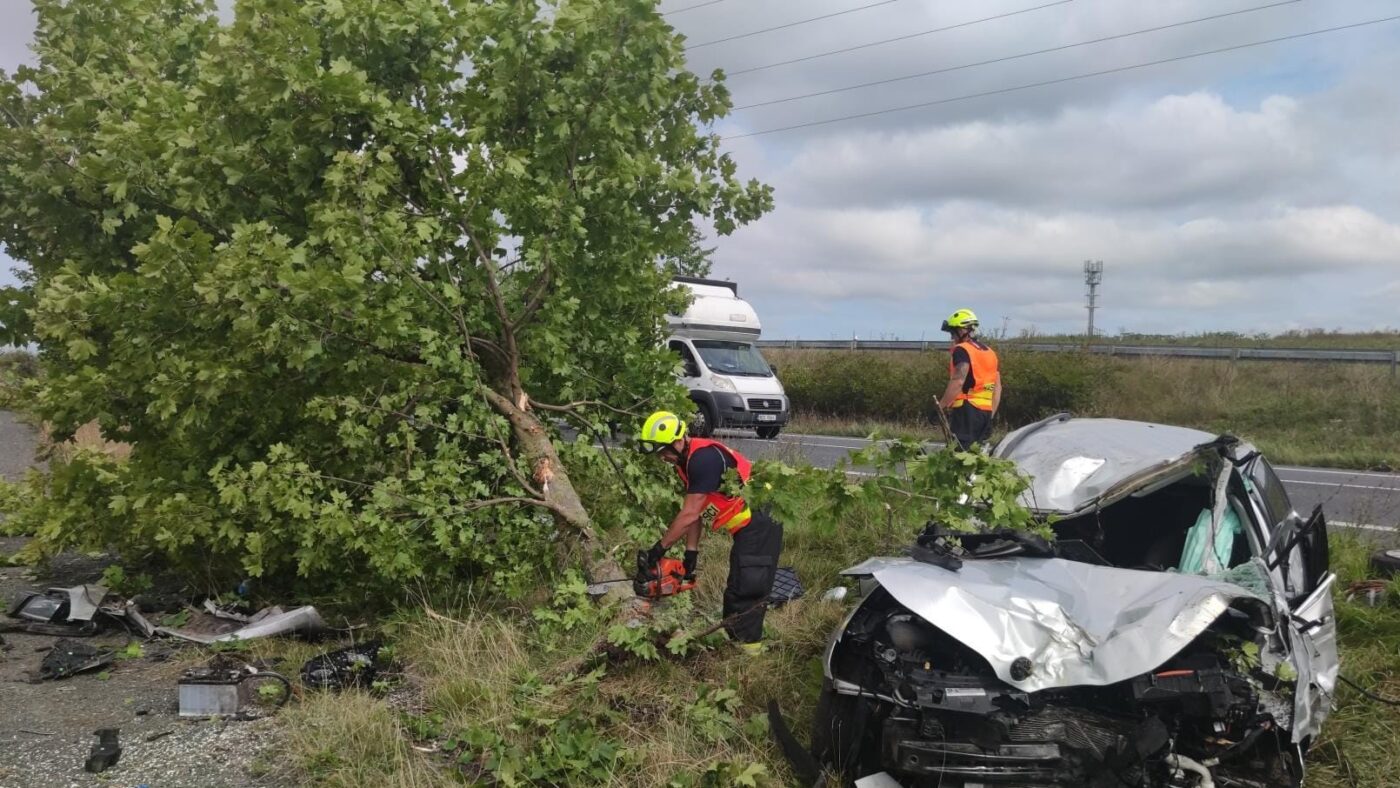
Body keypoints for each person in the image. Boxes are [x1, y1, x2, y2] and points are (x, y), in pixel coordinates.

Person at [636, 410, 783, 655]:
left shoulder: (702, 459)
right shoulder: (686, 463)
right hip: (747, 525)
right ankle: (738, 643)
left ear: (678, 441)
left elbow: (689, 514)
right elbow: (697, 510)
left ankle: (747, 654)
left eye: (664, 452)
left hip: (761, 519)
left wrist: (659, 549)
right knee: (740, 583)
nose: (663, 458)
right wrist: (690, 555)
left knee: (746, 586)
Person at [935, 308, 1002, 451]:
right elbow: (997, 388)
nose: (952, 338)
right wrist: (990, 415)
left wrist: (941, 406)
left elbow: (958, 380)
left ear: (962, 330)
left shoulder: (962, 350)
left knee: (959, 457)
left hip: (966, 412)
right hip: (985, 413)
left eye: (953, 332)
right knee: (974, 458)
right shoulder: (989, 352)